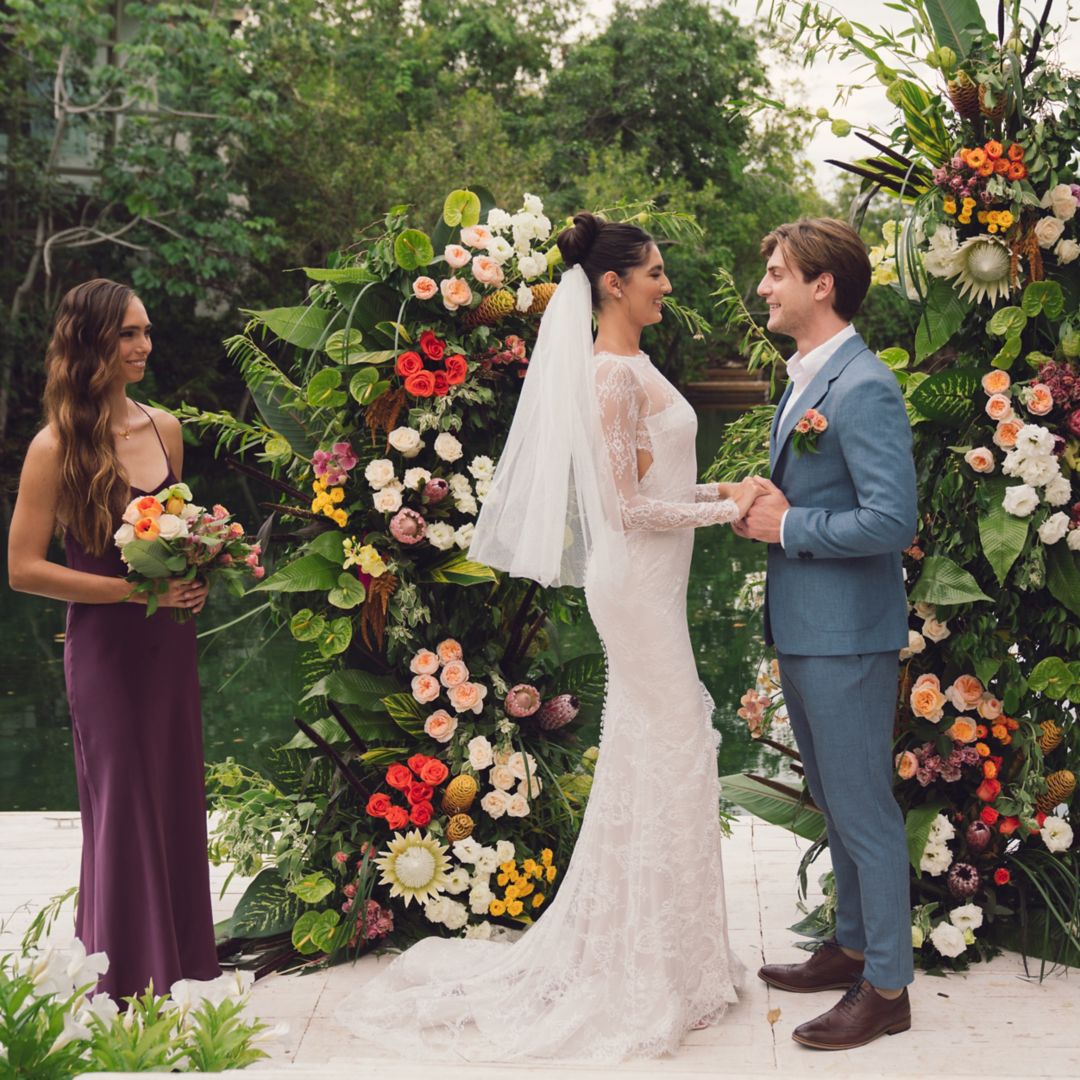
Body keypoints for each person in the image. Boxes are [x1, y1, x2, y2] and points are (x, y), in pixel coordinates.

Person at [334, 214, 759, 1062]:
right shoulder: (609, 376)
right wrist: (729, 511)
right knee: (673, 742)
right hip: (635, 587)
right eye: (656, 275)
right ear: (614, 285)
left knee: (658, 751)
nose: (666, 287)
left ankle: (672, 955)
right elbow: (626, 510)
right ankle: (646, 964)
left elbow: (655, 478)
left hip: (655, 586)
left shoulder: (637, 367)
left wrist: (722, 484)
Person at [8, 278, 220, 1000]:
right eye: (129, 333)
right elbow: (24, 569)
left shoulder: (166, 430)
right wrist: (137, 592)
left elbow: (173, 541)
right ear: (91, 340)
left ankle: (184, 965)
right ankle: (124, 977)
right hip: (103, 648)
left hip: (168, 644)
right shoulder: (55, 446)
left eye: (147, 332)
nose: (144, 346)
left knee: (172, 793)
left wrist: (196, 576)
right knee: (122, 797)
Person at [733, 218, 917, 1049]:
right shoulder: (809, 378)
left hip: (848, 636)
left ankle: (887, 987)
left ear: (822, 286)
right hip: (809, 629)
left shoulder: (864, 384)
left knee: (864, 809)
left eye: (777, 273)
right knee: (837, 804)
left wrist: (790, 526)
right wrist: (763, 509)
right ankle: (849, 946)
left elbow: (891, 519)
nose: (764, 286)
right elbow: (803, 497)